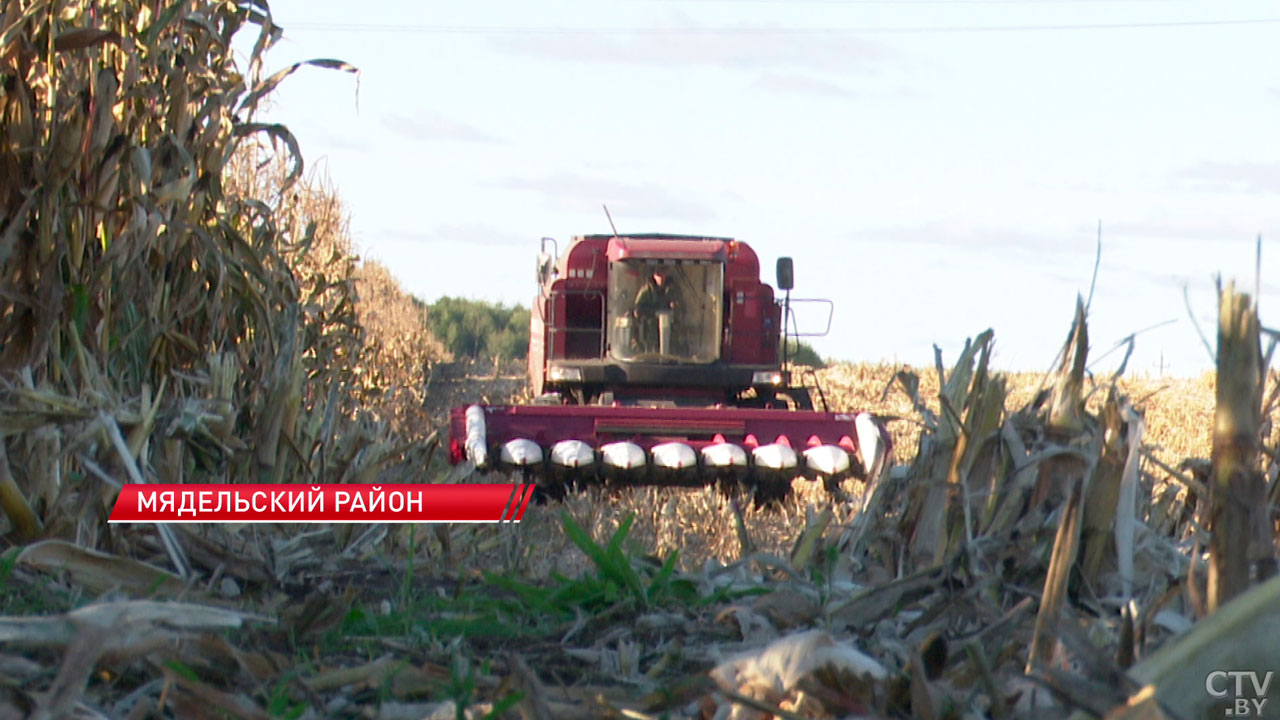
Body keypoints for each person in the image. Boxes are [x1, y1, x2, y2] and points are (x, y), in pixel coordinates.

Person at [633, 267, 679, 354]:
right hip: (650, 327)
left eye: (663, 274)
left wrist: (674, 306)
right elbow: (637, 309)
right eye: (658, 274)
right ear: (654, 275)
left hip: (669, 327)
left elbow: (681, 307)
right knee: (651, 350)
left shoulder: (672, 289)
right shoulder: (646, 290)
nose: (661, 277)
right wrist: (653, 312)